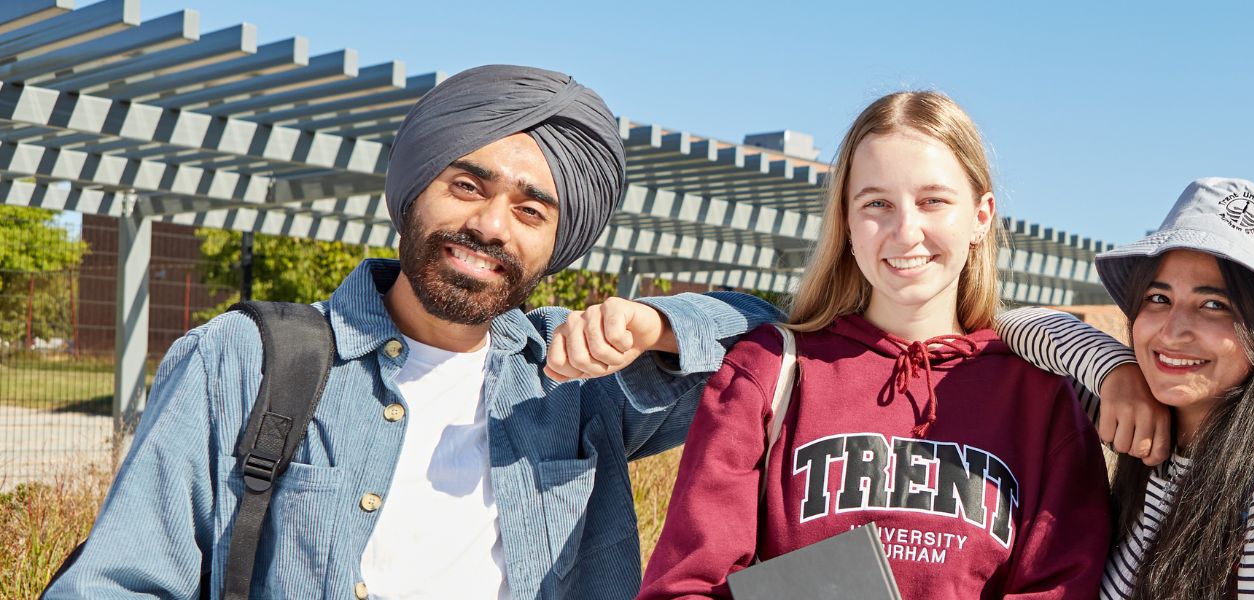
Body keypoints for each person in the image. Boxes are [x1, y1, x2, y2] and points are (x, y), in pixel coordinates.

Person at [45, 65, 787, 599]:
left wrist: (660, 321)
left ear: (558, 243)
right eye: (466, 185)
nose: (490, 225)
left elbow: (784, 342)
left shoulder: (582, 381)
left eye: (531, 212)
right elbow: (116, 582)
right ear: (413, 188)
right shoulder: (244, 358)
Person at [637, 92, 1113, 599]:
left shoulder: (1039, 396)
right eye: (877, 204)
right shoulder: (770, 371)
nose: (906, 232)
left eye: (933, 200)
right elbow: (683, 586)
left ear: (981, 216)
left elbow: (1063, 585)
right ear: (845, 220)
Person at [1092, 177, 1254, 600]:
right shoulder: (1140, 421)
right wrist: (1115, 369)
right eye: (1158, 297)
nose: (1173, 330)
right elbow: (1016, 323)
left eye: (1214, 305)